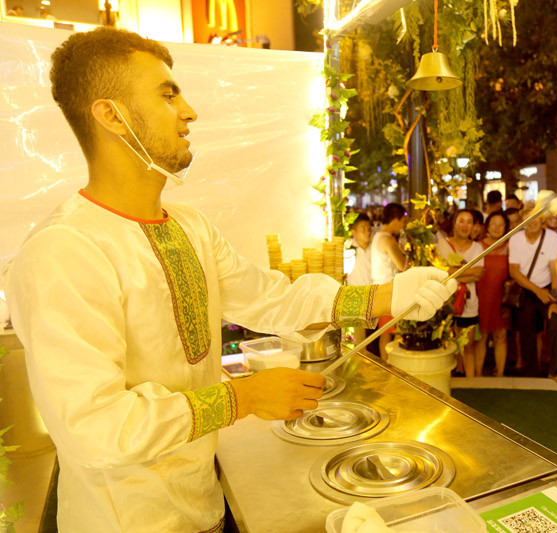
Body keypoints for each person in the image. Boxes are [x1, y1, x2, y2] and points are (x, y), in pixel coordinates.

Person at [1, 28, 457, 532]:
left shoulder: (189, 228)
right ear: (111, 115)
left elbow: (273, 300)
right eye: (168, 93)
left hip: (202, 506)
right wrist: (244, 398)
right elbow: (95, 428)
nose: (189, 111)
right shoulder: (64, 251)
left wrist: (391, 295)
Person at [509, 203, 557, 381]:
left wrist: (554, 298)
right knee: (526, 331)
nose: (532, 220)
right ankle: (531, 373)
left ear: (542, 219)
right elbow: (514, 271)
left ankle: (555, 370)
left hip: (548, 289)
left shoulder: (552, 238)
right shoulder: (516, 239)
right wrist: (537, 291)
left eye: (536, 216)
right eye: (528, 215)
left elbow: (555, 269)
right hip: (526, 291)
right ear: (522, 219)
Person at [436, 209, 485, 377]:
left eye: (469, 222)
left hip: (469, 302)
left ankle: (470, 382)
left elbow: (478, 273)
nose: (465, 225)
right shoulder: (442, 244)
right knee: (445, 344)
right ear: (454, 223)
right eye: (461, 221)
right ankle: (450, 380)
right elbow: (442, 272)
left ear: (474, 226)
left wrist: (454, 273)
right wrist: (467, 272)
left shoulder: (478, 247)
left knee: (468, 345)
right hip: (446, 301)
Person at [371, 202, 409, 359]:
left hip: (380, 290)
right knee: (394, 332)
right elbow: (403, 265)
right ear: (395, 220)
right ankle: (392, 367)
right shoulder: (388, 239)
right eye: (402, 222)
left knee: (385, 332)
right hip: (390, 292)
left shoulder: (377, 236)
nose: (402, 226)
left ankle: (386, 367)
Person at [475, 211, 511, 376]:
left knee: (501, 336)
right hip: (480, 296)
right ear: (487, 226)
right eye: (493, 224)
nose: (497, 228)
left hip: (502, 297)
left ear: (506, 227)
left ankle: (500, 374)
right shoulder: (477, 246)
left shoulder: (510, 246)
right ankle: (477, 374)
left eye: (501, 224)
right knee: (481, 337)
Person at [347, 213, 373, 343]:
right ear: (353, 231)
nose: (367, 232)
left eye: (369, 228)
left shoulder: (375, 248)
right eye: (363, 228)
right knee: (359, 342)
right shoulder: (348, 249)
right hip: (357, 300)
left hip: (374, 298)